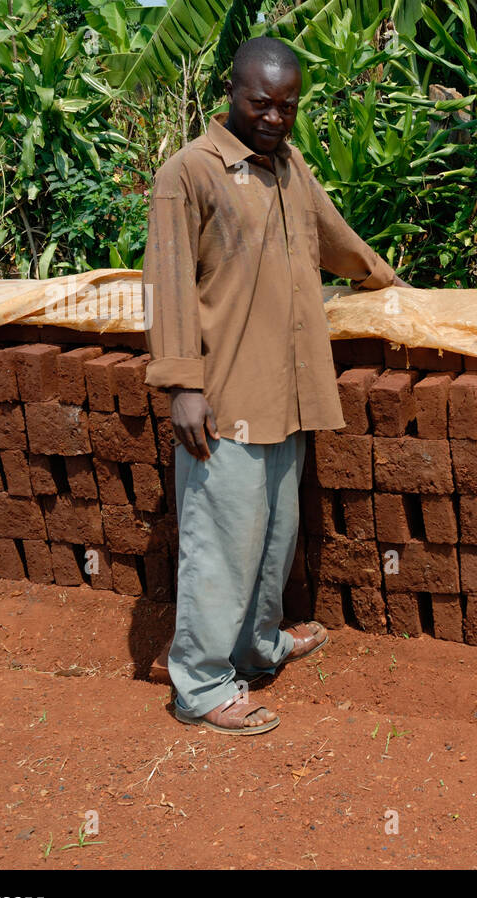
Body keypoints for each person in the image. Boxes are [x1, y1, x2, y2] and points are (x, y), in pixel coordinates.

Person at [142, 36, 410, 735]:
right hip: (224, 394)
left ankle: (258, 648)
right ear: (231, 92)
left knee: (274, 535)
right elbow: (166, 285)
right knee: (221, 539)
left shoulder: (290, 168)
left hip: (287, 388)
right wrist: (181, 385)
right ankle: (200, 685)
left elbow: (334, 236)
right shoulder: (189, 173)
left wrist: (386, 281)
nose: (275, 117)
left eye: (288, 105)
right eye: (261, 102)